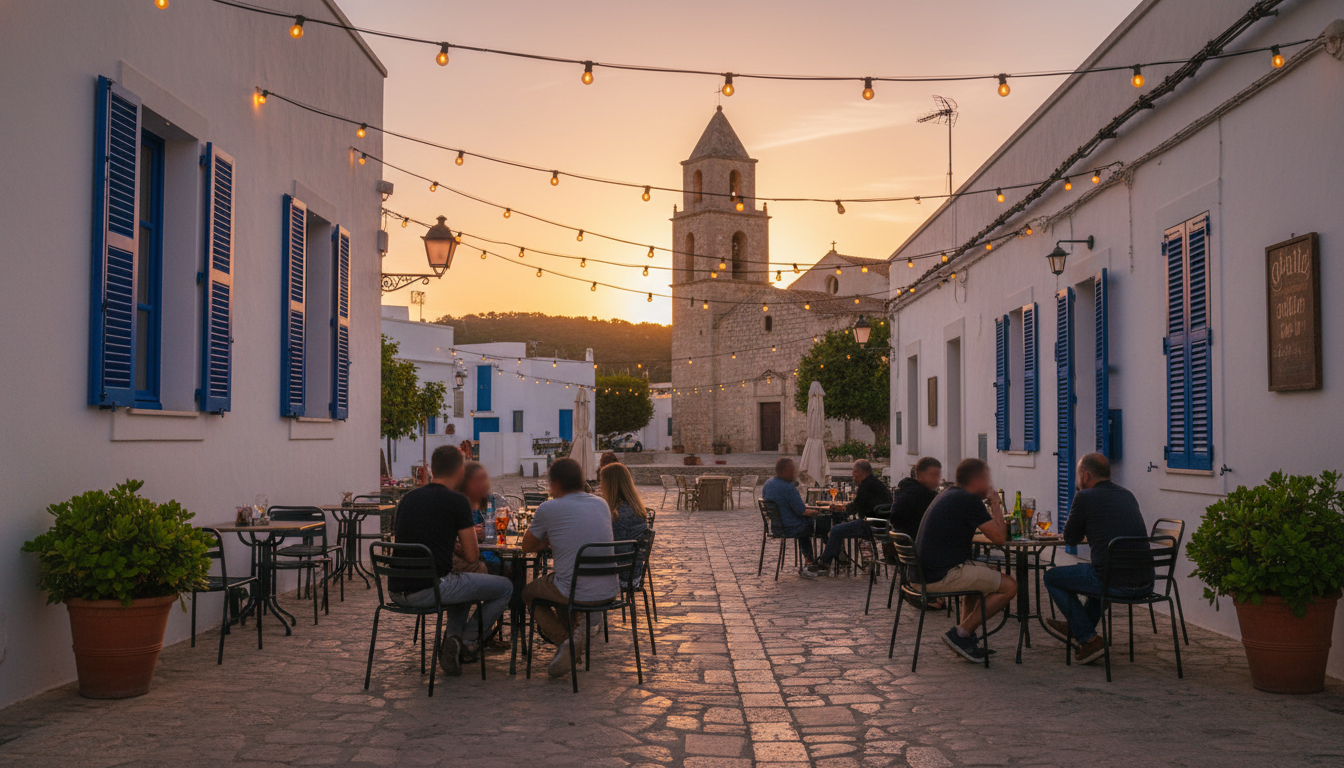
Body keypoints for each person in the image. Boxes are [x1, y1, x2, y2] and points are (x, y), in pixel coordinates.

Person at [389, 445, 513, 677]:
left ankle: (451, 644)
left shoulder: (407, 499)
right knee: (505, 588)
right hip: (431, 589)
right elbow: (472, 556)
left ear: (433, 469)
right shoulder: (457, 502)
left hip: (396, 589)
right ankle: (466, 641)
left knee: (463, 582)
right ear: (459, 471)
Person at [1043, 453, 1154, 663]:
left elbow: (1071, 538)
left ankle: (1088, 638)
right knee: (1101, 575)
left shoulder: (1085, 497)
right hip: (1146, 582)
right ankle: (1078, 626)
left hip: (1112, 583)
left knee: (1052, 577)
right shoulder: (1128, 495)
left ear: (1085, 476)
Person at [522, 457, 620, 678]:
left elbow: (527, 546)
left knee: (529, 593)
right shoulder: (601, 503)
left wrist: (546, 542)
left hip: (574, 589)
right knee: (562, 584)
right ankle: (574, 639)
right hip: (609, 589)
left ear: (555, 483)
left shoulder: (549, 508)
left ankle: (567, 643)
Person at [914, 458, 1017, 662]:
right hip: (939, 575)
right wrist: (996, 503)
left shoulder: (950, 494)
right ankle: (960, 633)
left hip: (922, 573)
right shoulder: (969, 500)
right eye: (986, 479)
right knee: (1010, 586)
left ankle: (965, 636)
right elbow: (1000, 537)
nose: (989, 485)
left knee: (982, 570)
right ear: (977, 479)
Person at [804, 460, 892, 575]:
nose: (853, 476)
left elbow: (855, 507)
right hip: (879, 524)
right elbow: (859, 506)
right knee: (838, 528)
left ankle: (824, 563)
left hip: (869, 525)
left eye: (854, 472)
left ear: (861, 472)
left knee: (836, 530)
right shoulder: (876, 483)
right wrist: (844, 508)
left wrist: (840, 509)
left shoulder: (867, 485)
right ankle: (840, 560)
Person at [761, 457, 827, 579]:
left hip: (776, 527)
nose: (795, 473)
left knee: (807, 525)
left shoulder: (768, 484)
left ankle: (812, 560)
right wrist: (818, 511)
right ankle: (820, 561)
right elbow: (802, 511)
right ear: (784, 471)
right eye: (792, 470)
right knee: (823, 524)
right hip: (791, 527)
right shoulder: (788, 488)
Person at [599, 462, 650, 586]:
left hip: (619, 577)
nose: (600, 486)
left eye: (601, 482)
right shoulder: (636, 510)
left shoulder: (612, 515)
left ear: (609, 485)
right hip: (634, 574)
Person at [455, 461, 508, 577]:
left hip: (495, 551)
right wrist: (470, 534)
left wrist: (492, 529)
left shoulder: (495, 500)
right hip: (469, 558)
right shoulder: (456, 503)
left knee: (512, 565)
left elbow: (510, 529)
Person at [890, 457, 942, 539]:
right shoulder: (922, 496)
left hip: (905, 544)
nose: (937, 481)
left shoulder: (905, 490)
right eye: (932, 476)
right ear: (920, 474)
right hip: (919, 543)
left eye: (938, 477)